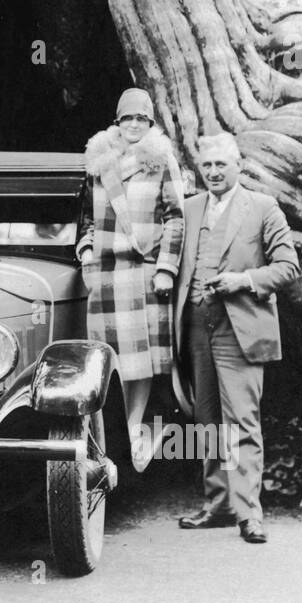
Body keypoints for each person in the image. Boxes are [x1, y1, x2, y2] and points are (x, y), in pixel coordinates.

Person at [175, 132, 299, 544]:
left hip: (239, 328)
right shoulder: (190, 208)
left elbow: (288, 266)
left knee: (242, 421)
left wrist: (244, 280)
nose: (212, 172)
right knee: (206, 421)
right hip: (195, 325)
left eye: (221, 165)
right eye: (206, 165)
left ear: (238, 167)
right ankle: (218, 505)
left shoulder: (263, 207)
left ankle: (249, 514)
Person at [77, 88, 185, 471]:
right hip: (106, 275)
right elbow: (86, 219)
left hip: (143, 273)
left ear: (150, 123)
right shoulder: (99, 161)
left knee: (141, 361)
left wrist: (166, 268)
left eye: (142, 119)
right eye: (128, 119)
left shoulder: (161, 160)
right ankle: (118, 432)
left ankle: (134, 426)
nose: (135, 125)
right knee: (112, 358)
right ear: (117, 122)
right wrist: (86, 251)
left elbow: (175, 218)